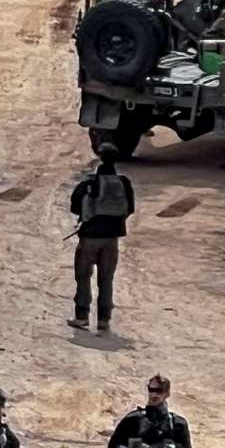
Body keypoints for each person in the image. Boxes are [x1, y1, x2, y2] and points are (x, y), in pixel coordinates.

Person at [67, 142, 135, 334]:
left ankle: (81, 316)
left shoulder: (89, 184)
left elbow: (74, 207)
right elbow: (130, 208)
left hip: (89, 237)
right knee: (106, 279)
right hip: (111, 239)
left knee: (83, 277)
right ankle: (104, 320)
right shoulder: (123, 183)